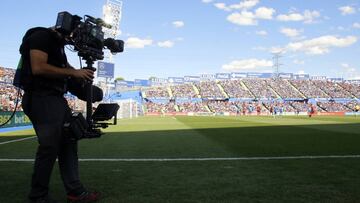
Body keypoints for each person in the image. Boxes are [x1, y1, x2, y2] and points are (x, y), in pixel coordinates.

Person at [19, 26, 100, 203]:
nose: (73, 42)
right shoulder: (41, 36)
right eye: (73, 37)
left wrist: (80, 77)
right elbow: (38, 67)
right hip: (41, 97)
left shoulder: (58, 46)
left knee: (69, 142)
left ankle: (75, 192)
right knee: (49, 147)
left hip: (55, 98)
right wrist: (74, 72)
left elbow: (67, 69)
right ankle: (38, 196)